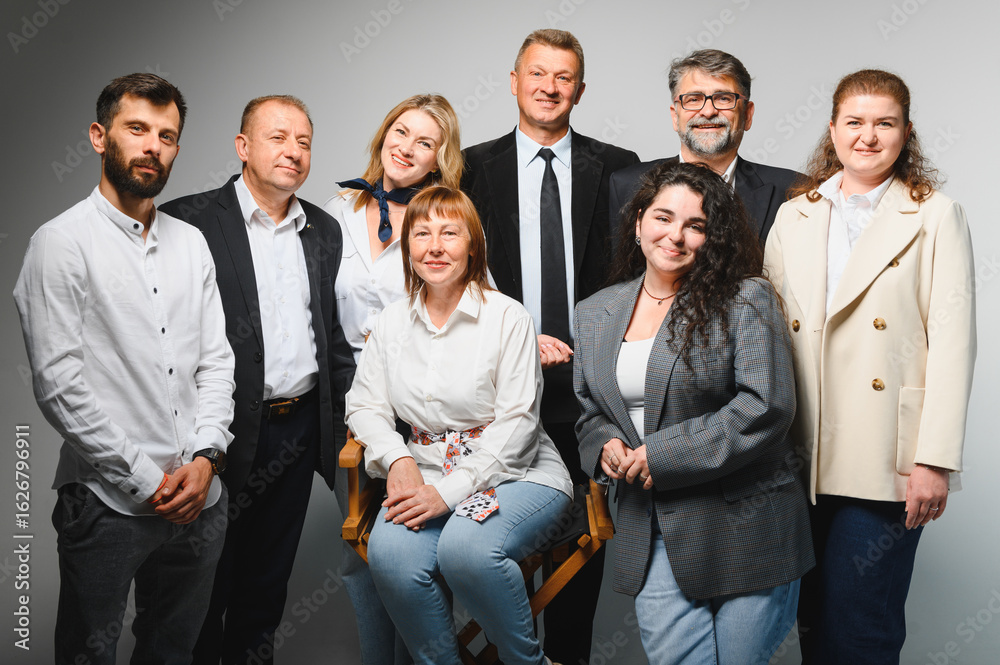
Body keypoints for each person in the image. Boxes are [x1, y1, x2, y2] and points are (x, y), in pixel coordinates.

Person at [13, 73, 235, 665]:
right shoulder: (59, 244)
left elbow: (217, 361)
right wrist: (146, 478)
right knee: (89, 655)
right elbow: (58, 387)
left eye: (167, 135)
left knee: (172, 652)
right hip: (106, 503)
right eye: (137, 129)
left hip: (200, 498)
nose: (152, 146)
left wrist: (207, 459)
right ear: (99, 136)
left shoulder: (191, 243)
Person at [763, 69, 977, 665]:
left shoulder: (935, 215)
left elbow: (954, 342)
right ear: (832, 129)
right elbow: (769, 332)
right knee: (810, 622)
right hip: (798, 452)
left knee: (861, 628)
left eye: (885, 123)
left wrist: (934, 460)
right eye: (854, 122)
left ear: (906, 133)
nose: (868, 136)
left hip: (887, 455)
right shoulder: (794, 214)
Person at [574, 161, 814, 665]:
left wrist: (659, 454)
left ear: (714, 237)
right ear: (639, 222)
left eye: (696, 225)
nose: (675, 236)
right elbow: (591, 409)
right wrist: (605, 444)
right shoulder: (595, 311)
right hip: (654, 525)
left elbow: (766, 406)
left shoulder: (746, 298)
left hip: (747, 522)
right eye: (663, 218)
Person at [461, 29, 639, 663]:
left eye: (563, 77)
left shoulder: (619, 167)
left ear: (580, 90)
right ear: (514, 82)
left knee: (578, 543)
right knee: (485, 534)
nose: (549, 87)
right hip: (491, 392)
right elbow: (445, 269)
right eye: (537, 73)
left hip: (585, 393)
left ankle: (567, 657)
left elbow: (635, 274)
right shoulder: (468, 167)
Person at [160, 95, 355, 665]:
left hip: (297, 433)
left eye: (304, 142)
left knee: (265, 588)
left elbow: (331, 337)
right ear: (242, 147)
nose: (293, 151)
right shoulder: (187, 220)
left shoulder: (322, 229)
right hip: (215, 433)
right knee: (200, 587)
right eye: (278, 137)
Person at [346, 186, 573, 665]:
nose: (434, 247)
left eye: (449, 233)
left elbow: (518, 426)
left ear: (473, 246)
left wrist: (447, 493)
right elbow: (364, 405)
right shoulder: (390, 323)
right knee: (391, 557)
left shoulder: (508, 317)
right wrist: (398, 458)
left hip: (516, 474)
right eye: (421, 234)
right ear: (407, 247)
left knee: (466, 549)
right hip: (424, 471)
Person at [323, 93, 462, 665]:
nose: (406, 148)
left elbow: (479, 302)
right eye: (400, 132)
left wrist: (530, 335)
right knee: (360, 548)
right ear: (383, 136)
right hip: (347, 402)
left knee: (417, 549)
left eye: (424, 142)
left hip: (423, 402)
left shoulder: (445, 220)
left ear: (439, 159)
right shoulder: (336, 212)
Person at [609, 49, 801, 245]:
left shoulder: (794, 191)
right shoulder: (627, 186)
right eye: (693, 99)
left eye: (724, 98)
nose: (708, 111)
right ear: (675, 116)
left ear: (747, 115)